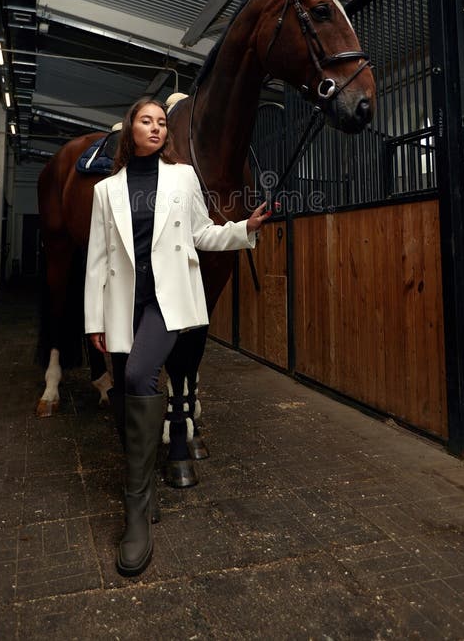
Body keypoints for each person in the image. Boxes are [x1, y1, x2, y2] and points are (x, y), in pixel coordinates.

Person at [84, 96, 271, 577]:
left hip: (168, 302)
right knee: (126, 395)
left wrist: (242, 229)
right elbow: (99, 260)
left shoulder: (183, 178)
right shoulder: (106, 190)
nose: (155, 128)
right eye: (146, 120)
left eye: (162, 122)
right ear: (130, 130)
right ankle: (144, 490)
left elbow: (202, 234)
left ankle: (136, 508)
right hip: (125, 305)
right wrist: (95, 321)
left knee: (144, 373)